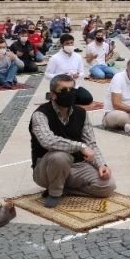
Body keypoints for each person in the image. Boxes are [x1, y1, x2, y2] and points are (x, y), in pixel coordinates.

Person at [30, 74, 116, 208]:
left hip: (77, 166)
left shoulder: (81, 113)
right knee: (60, 156)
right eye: (63, 91)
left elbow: (91, 143)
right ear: (53, 95)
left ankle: (65, 188)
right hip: (47, 167)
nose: (69, 94)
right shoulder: (40, 114)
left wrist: (101, 165)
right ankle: (55, 192)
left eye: (72, 90)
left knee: (108, 186)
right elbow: (48, 141)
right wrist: (80, 146)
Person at [44, 34, 92, 105]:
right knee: (65, 100)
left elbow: (82, 72)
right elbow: (47, 75)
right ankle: (55, 95)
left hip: (74, 86)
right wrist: (62, 76)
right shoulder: (55, 58)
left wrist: (77, 75)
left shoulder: (78, 57)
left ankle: (56, 97)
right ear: (62, 45)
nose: (70, 45)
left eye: (71, 43)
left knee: (87, 98)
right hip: (61, 87)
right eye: (67, 43)